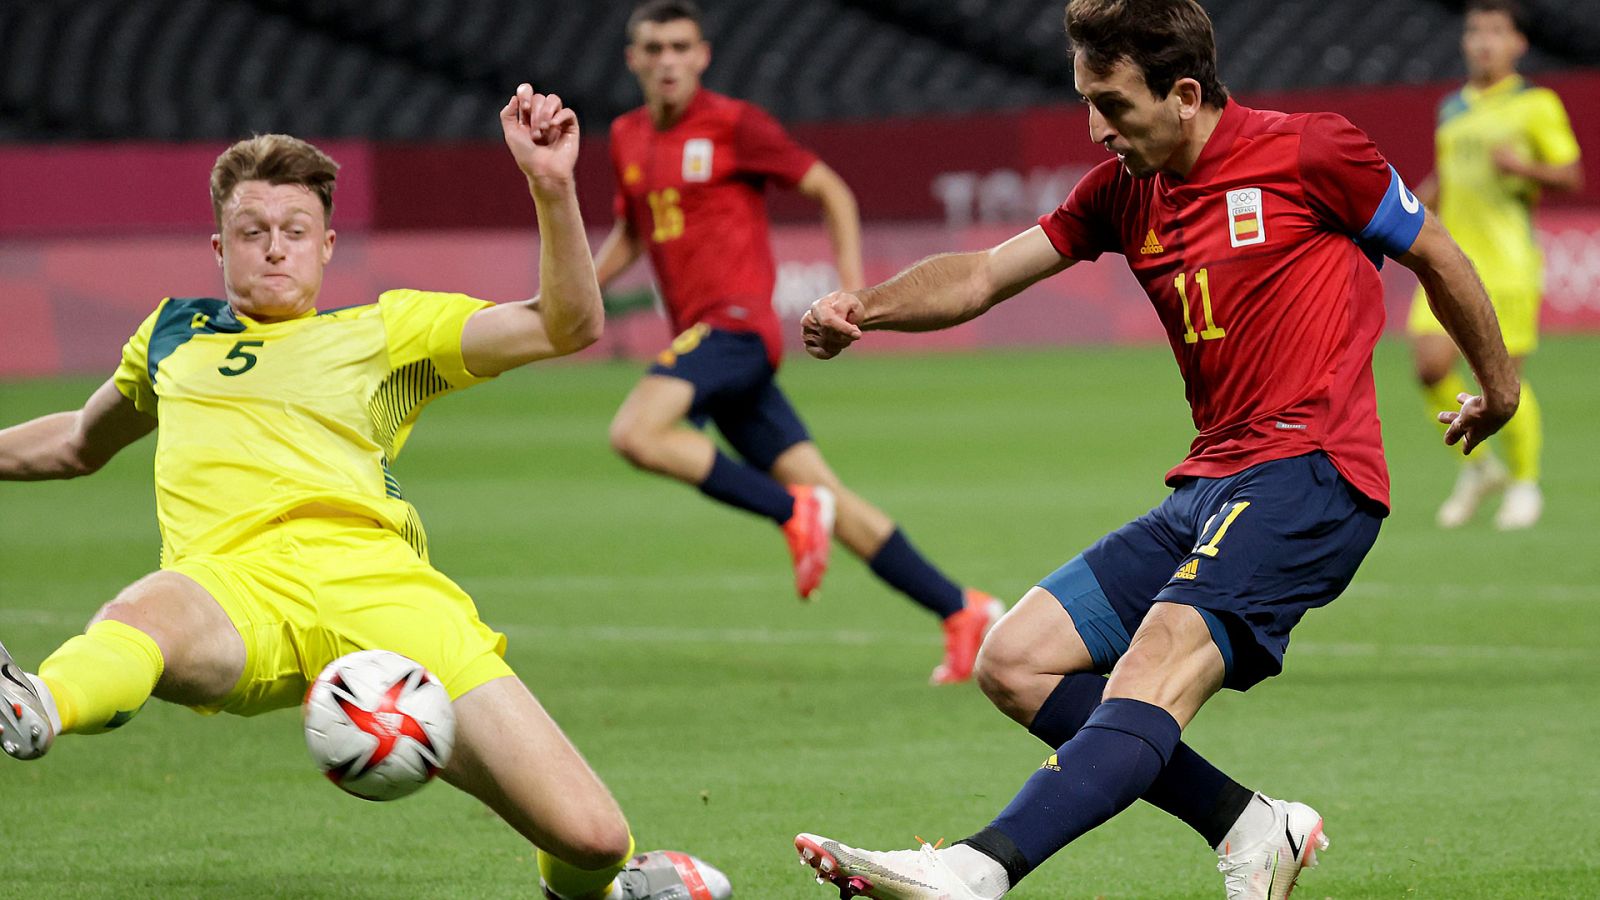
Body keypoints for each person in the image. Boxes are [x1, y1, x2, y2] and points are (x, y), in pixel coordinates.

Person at [791, 1, 1519, 898]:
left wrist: (1501, 388)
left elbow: (1435, 253)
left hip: (1312, 475)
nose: (1096, 129)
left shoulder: (1312, 152)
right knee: (1013, 661)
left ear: (1183, 94)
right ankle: (1254, 828)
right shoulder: (1123, 192)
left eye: (1113, 104)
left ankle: (975, 870)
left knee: (1155, 664)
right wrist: (865, 306)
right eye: (1084, 101)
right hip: (1209, 483)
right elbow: (982, 274)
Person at [0, 86, 730, 900]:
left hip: (383, 590)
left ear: (327, 246)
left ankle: (602, 891)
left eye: (294, 232)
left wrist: (552, 186)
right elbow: (73, 443)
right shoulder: (173, 333)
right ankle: (38, 704)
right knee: (147, 618)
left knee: (592, 838)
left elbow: (565, 325)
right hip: (230, 585)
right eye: (252, 233)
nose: (274, 249)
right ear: (218, 246)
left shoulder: (386, 333)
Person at [596, 0, 1002, 684]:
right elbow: (634, 232)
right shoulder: (627, 137)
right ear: (634, 59)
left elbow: (831, 191)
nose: (667, 60)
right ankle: (963, 611)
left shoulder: (734, 125)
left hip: (734, 327)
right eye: (654, 48)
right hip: (711, 347)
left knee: (636, 433)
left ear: (702, 55)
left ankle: (791, 511)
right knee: (833, 496)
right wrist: (572, 291)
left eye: (679, 47)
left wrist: (855, 294)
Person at [1407, 0, 1582, 530]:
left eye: (1496, 32)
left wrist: (1522, 166)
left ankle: (1525, 483)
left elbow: (1570, 175)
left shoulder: (1536, 104)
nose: (1483, 41)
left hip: (1506, 264)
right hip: (1453, 258)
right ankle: (1481, 469)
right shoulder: (1453, 108)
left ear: (1518, 44)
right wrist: (1417, 202)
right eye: (1475, 31)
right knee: (1429, 366)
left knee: (1503, 380)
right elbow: (1448, 173)